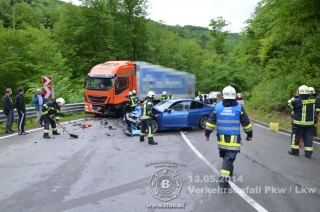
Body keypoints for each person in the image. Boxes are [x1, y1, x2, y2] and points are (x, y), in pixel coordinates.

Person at [205, 85, 253, 189]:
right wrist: (249, 134)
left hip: (221, 140)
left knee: (226, 157)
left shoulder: (218, 106)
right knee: (228, 159)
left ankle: (229, 170)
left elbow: (211, 121)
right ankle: (223, 182)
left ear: (223, 96)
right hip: (233, 140)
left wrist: (207, 134)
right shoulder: (239, 107)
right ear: (235, 96)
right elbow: (246, 123)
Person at [287, 85, 320, 158]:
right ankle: (308, 154)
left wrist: (294, 97)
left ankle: (295, 151)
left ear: (299, 92)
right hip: (310, 125)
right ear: (308, 93)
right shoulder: (314, 101)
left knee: (295, 138)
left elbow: (289, 103)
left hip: (298, 124)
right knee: (308, 139)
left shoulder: (297, 101)